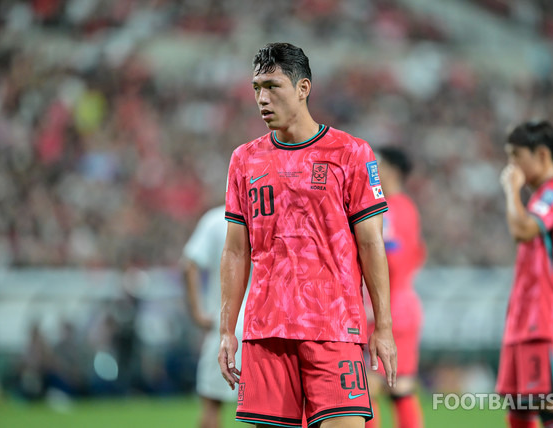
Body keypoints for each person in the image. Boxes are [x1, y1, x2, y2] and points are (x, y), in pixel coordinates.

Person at [218, 42, 397, 428]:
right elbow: (235, 251)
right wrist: (226, 330)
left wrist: (383, 325)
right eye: (256, 88)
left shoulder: (351, 153)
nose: (262, 99)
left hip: (334, 326)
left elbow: (370, 243)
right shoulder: (244, 159)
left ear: (303, 88)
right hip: (265, 332)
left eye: (273, 86)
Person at [496, 120, 553, 428]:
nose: (511, 166)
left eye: (516, 156)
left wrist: (510, 190)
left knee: (552, 414)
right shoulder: (538, 198)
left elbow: (522, 230)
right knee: (519, 411)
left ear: (542, 154)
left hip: (548, 321)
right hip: (524, 321)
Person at [365, 147, 425, 428]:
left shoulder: (386, 209)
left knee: (366, 389)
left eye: (377, 165)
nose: (372, 171)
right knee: (401, 388)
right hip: (405, 305)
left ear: (391, 170)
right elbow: (417, 254)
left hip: (384, 307)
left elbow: (391, 259)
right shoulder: (408, 208)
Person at [182, 204, 246, 428]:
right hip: (263, 328)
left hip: (225, 328)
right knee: (268, 413)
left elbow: (190, 263)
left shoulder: (216, 219)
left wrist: (198, 312)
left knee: (211, 405)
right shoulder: (268, 215)